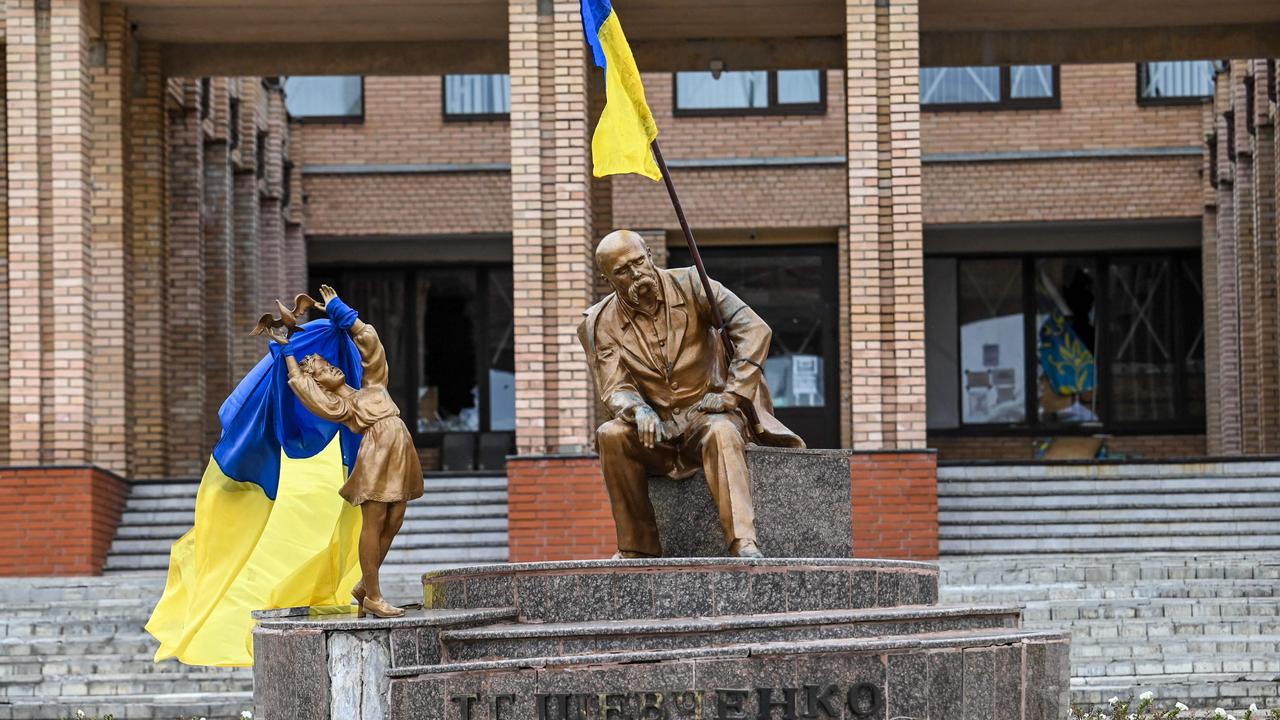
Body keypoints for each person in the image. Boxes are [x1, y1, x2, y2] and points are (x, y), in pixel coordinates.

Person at [578, 230, 803, 559]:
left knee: (722, 431)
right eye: (623, 271)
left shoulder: (695, 284)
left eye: (639, 262)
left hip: (707, 415)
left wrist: (733, 393)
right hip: (656, 430)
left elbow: (754, 329)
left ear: (650, 255)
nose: (637, 273)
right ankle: (637, 547)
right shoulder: (597, 323)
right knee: (609, 435)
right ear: (607, 278)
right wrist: (638, 411)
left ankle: (743, 542)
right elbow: (614, 386)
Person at [277, 285, 424, 618]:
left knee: (396, 519)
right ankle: (372, 594)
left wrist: (341, 312)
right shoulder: (342, 405)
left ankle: (362, 585)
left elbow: (372, 346)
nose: (330, 367)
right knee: (374, 522)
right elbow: (307, 393)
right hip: (376, 454)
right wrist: (288, 354)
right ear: (320, 383)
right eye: (322, 370)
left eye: (328, 363)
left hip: (401, 448)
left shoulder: (373, 385)